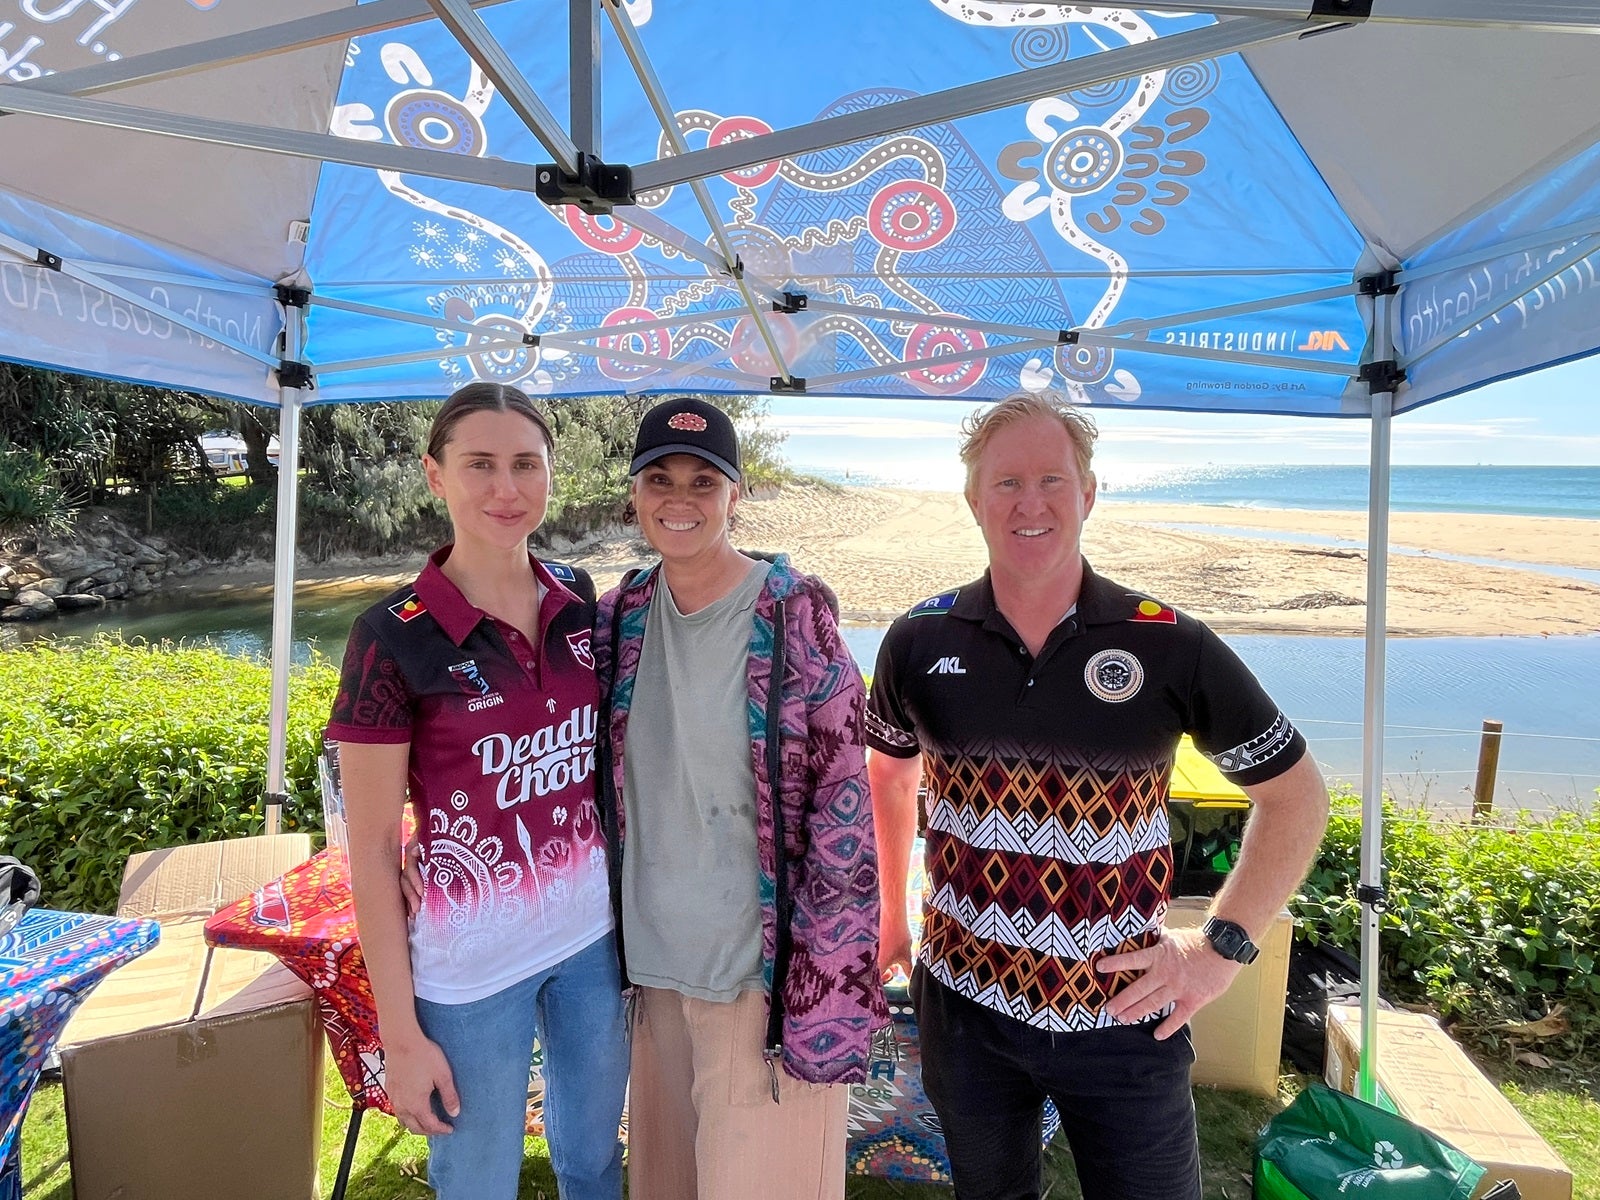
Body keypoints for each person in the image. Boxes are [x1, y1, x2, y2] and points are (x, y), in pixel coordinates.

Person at [865, 392, 1330, 1200]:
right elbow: (890, 772)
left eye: (1053, 478)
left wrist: (1219, 950)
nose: (1030, 502)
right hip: (965, 1006)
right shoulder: (917, 639)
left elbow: (1296, 796)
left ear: (1090, 492)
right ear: (974, 499)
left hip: (1125, 1009)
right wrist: (890, 916)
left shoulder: (1168, 641)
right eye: (1006, 482)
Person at [327, 382, 628, 1200]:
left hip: (592, 942)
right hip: (468, 971)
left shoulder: (579, 601)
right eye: (481, 464)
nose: (506, 488)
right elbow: (370, 856)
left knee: (595, 1163)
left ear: (550, 474)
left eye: (526, 464)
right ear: (435, 475)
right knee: (479, 1182)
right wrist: (398, 1030)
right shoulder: (390, 637)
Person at [593, 397, 887, 1200]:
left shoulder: (796, 615)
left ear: (737, 494)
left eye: (703, 480)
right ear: (633, 493)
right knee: (668, 1183)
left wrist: (827, 977)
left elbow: (844, 806)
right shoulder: (617, 618)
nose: (679, 499)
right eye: (660, 478)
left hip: (760, 979)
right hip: (652, 969)